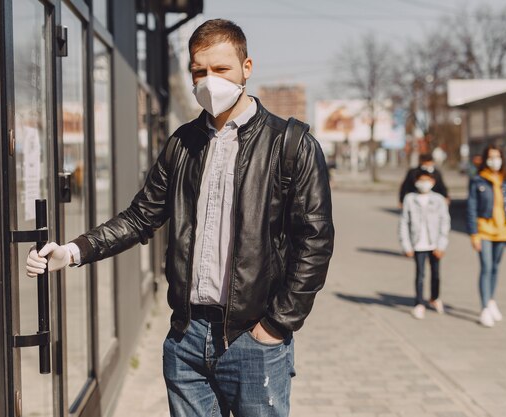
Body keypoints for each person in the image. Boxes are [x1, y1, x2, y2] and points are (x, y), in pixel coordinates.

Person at [26, 19, 334, 417]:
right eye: (199, 71)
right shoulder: (183, 143)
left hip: (253, 339)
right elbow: (140, 217)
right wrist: (72, 251)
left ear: (247, 68)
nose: (209, 80)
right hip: (187, 338)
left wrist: (276, 326)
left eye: (221, 69)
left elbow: (316, 241)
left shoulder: (291, 144)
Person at [467, 145, 506, 328]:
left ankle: (491, 300)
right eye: (490, 157)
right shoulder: (478, 180)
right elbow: (472, 208)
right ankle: (484, 308)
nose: (494, 160)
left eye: (497, 157)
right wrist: (473, 233)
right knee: (486, 266)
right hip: (484, 230)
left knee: (495, 267)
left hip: (503, 230)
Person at [398, 171, 450, 319]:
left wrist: (442, 245)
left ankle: (435, 297)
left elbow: (445, 222)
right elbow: (403, 223)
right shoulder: (410, 199)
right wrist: (406, 245)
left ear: (433, 182)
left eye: (427, 180)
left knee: (436, 274)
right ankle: (419, 302)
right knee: (420, 274)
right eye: (421, 180)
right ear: (415, 182)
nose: (424, 183)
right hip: (418, 244)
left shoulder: (439, 200)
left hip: (434, 243)